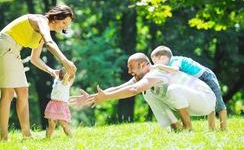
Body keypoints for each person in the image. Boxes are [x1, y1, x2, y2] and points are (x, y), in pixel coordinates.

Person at [0, 4, 76, 141]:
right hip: (5, 47)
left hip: (13, 51)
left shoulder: (42, 34)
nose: (65, 27)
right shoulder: (40, 21)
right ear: (56, 17)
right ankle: (4, 137)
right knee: (7, 93)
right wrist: (65, 61)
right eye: (64, 22)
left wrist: (51, 71)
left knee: (23, 91)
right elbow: (49, 43)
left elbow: (34, 59)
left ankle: (26, 135)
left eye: (68, 25)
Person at [70, 53, 216, 131]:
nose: (129, 71)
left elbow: (134, 90)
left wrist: (106, 97)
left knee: (171, 89)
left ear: (142, 65)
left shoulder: (156, 71)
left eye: (131, 67)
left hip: (205, 100)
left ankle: (188, 128)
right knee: (149, 93)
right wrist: (93, 97)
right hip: (189, 102)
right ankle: (175, 127)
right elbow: (120, 88)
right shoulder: (143, 76)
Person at [150, 45, 227, 130]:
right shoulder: (169, 65)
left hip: (206, 76)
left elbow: (175, 70)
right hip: (197, 82)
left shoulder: (175, 60)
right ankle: (212, 128)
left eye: (155, 61)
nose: (154, 64)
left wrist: (158, 66)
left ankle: (223, 128)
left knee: (218, 103)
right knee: (210, 103)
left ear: (163, 58)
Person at [45, 67, 75, 138]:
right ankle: (47, 138)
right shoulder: (57, 80)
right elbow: (59, 75)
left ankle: (71, 137)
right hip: (53, 104)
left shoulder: (65, 83)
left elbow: (70, 78)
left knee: (64, 124)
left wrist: (72, 69)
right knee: (51, 124)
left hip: (61, 106)